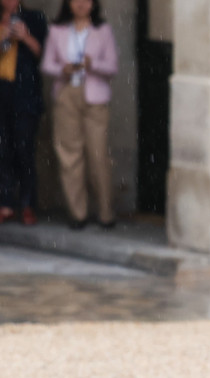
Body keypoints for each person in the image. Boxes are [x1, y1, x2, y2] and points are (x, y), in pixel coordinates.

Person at [41, 0, 118, 230]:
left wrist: (93, 64)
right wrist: (62, 69)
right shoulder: (57, 30)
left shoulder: (103, 30)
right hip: (66, 93)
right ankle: (78, 213)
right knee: (69, 155)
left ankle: (106, 212)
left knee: (98, 156)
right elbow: (46, 65)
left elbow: (112, 67)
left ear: (94, 4)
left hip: (95, 96)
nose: (81, 4)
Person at [0, 0, 47, 226]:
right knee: (2, 150)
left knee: (24, 149)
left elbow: (43, 54)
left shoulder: (34, 18)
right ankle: (6, 203)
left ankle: (27, 204)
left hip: (25, 95)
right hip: (2, 92)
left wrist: (26, 36)